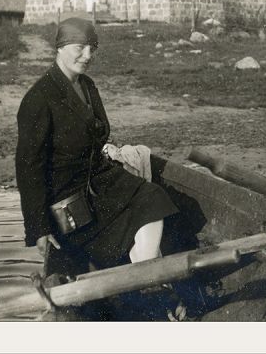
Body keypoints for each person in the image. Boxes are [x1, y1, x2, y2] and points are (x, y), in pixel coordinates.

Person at [15, 17, 184, 318]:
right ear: (60, 47)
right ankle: (143, 282)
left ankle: (144, 275)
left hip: (100, 182)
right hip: (68, 199)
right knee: (108, 231)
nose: (87, 56)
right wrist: (38, 229)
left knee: (153, 198)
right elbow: (29, 169)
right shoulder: (39, 98)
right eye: (79, 48)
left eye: (92, 49)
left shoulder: (88, 87)